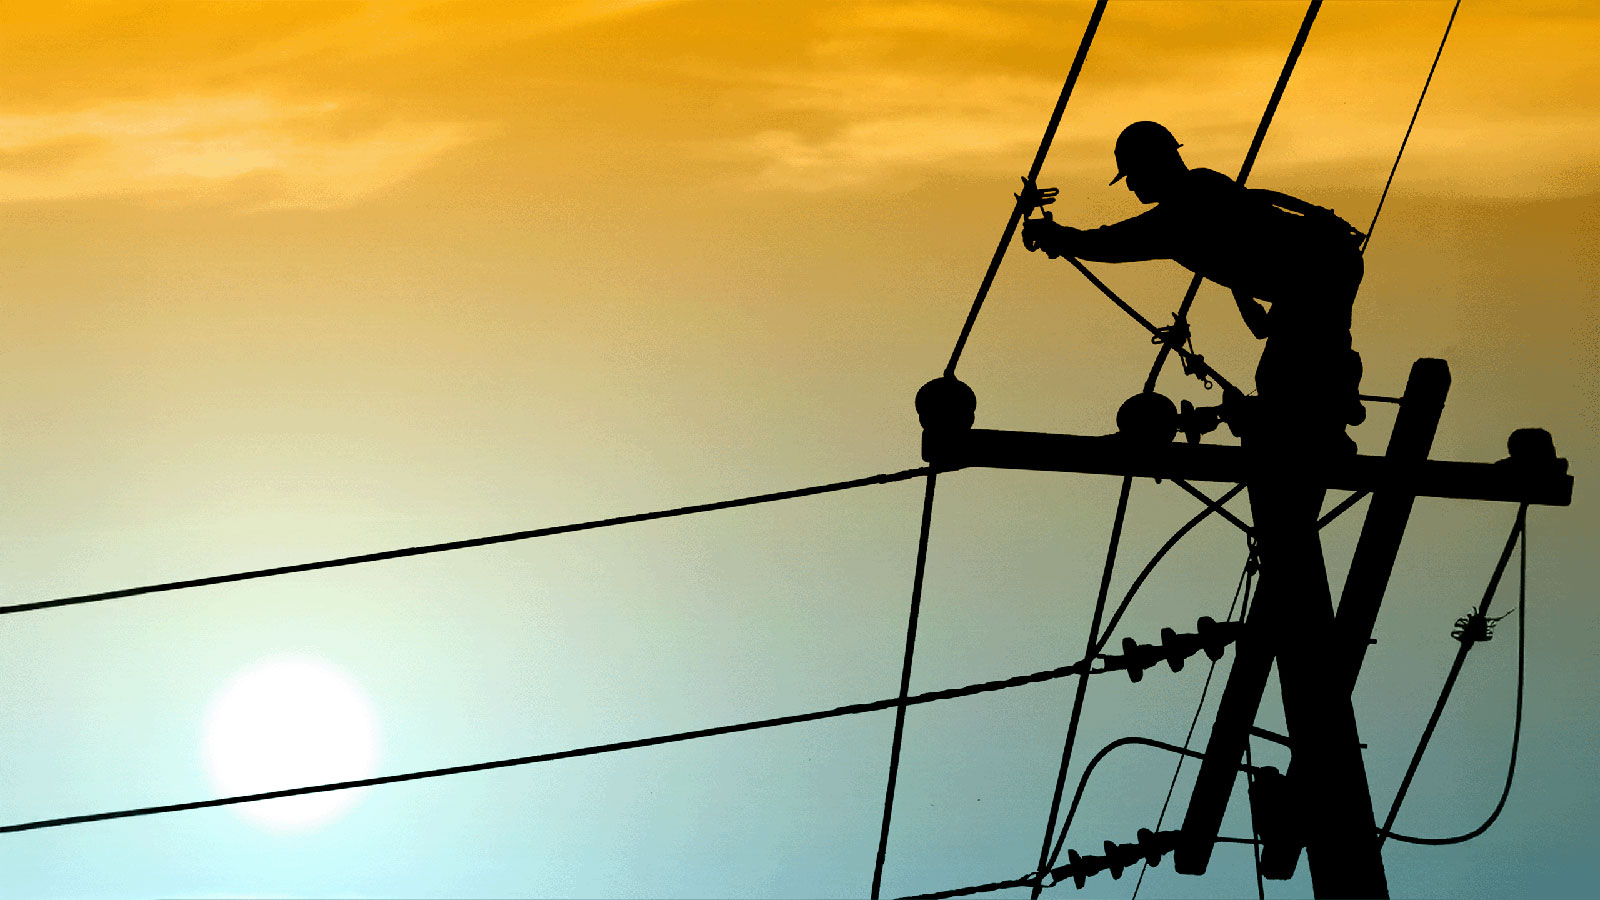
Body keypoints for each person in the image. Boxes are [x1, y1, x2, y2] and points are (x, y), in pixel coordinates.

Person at [1021, 121, 1366, 452]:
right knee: (1297, 365)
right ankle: (1331, 413)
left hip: (1318, 270)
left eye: (1133, 174)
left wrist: (1059, 236)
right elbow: (1248, 239)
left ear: (1155, 163)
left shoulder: (1183, 211)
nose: (1130, 186)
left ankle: (1322, 431)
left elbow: (1115, 243)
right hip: (1320, 269)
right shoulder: (1202, 189)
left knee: (1281, 378)